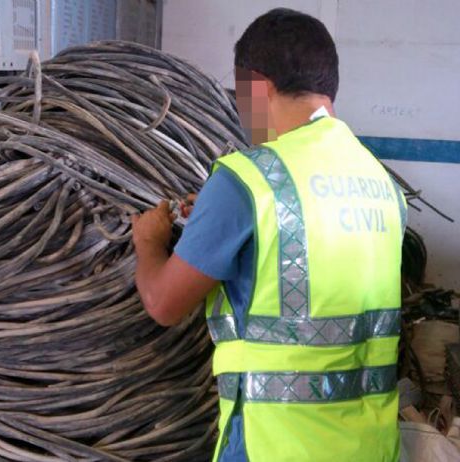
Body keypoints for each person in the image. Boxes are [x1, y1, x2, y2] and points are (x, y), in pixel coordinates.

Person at [132, 8, 407, 462]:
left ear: (257, 87)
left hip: (275, 444)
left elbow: (164, 304)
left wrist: (148, 241)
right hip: (369, 445)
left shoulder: (247, 179)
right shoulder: (380, 184)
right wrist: (225, 223)